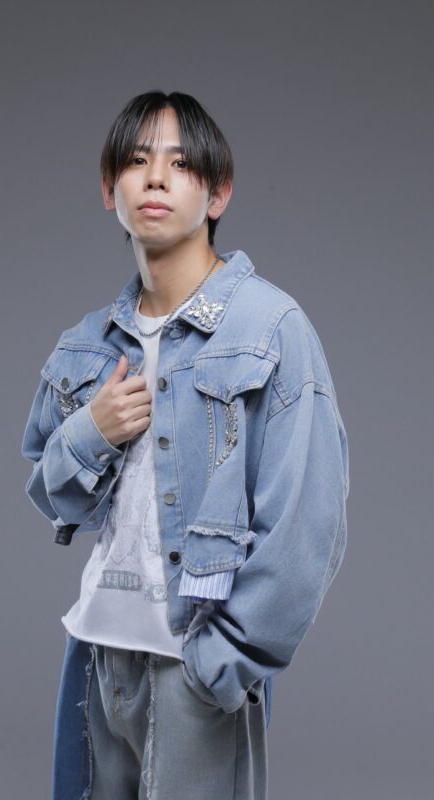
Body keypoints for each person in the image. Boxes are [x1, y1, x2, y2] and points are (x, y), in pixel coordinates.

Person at [21, 90, 350, 800]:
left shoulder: (270, 328)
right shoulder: (87, 344)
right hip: (97, 653)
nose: (156, 178)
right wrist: (92, 431)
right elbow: (53, 496)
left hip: (194, 666)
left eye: (179, 163)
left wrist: (226, 660)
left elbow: (307, 525)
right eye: (137, 161)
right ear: (109, 190)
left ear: (218, 192)